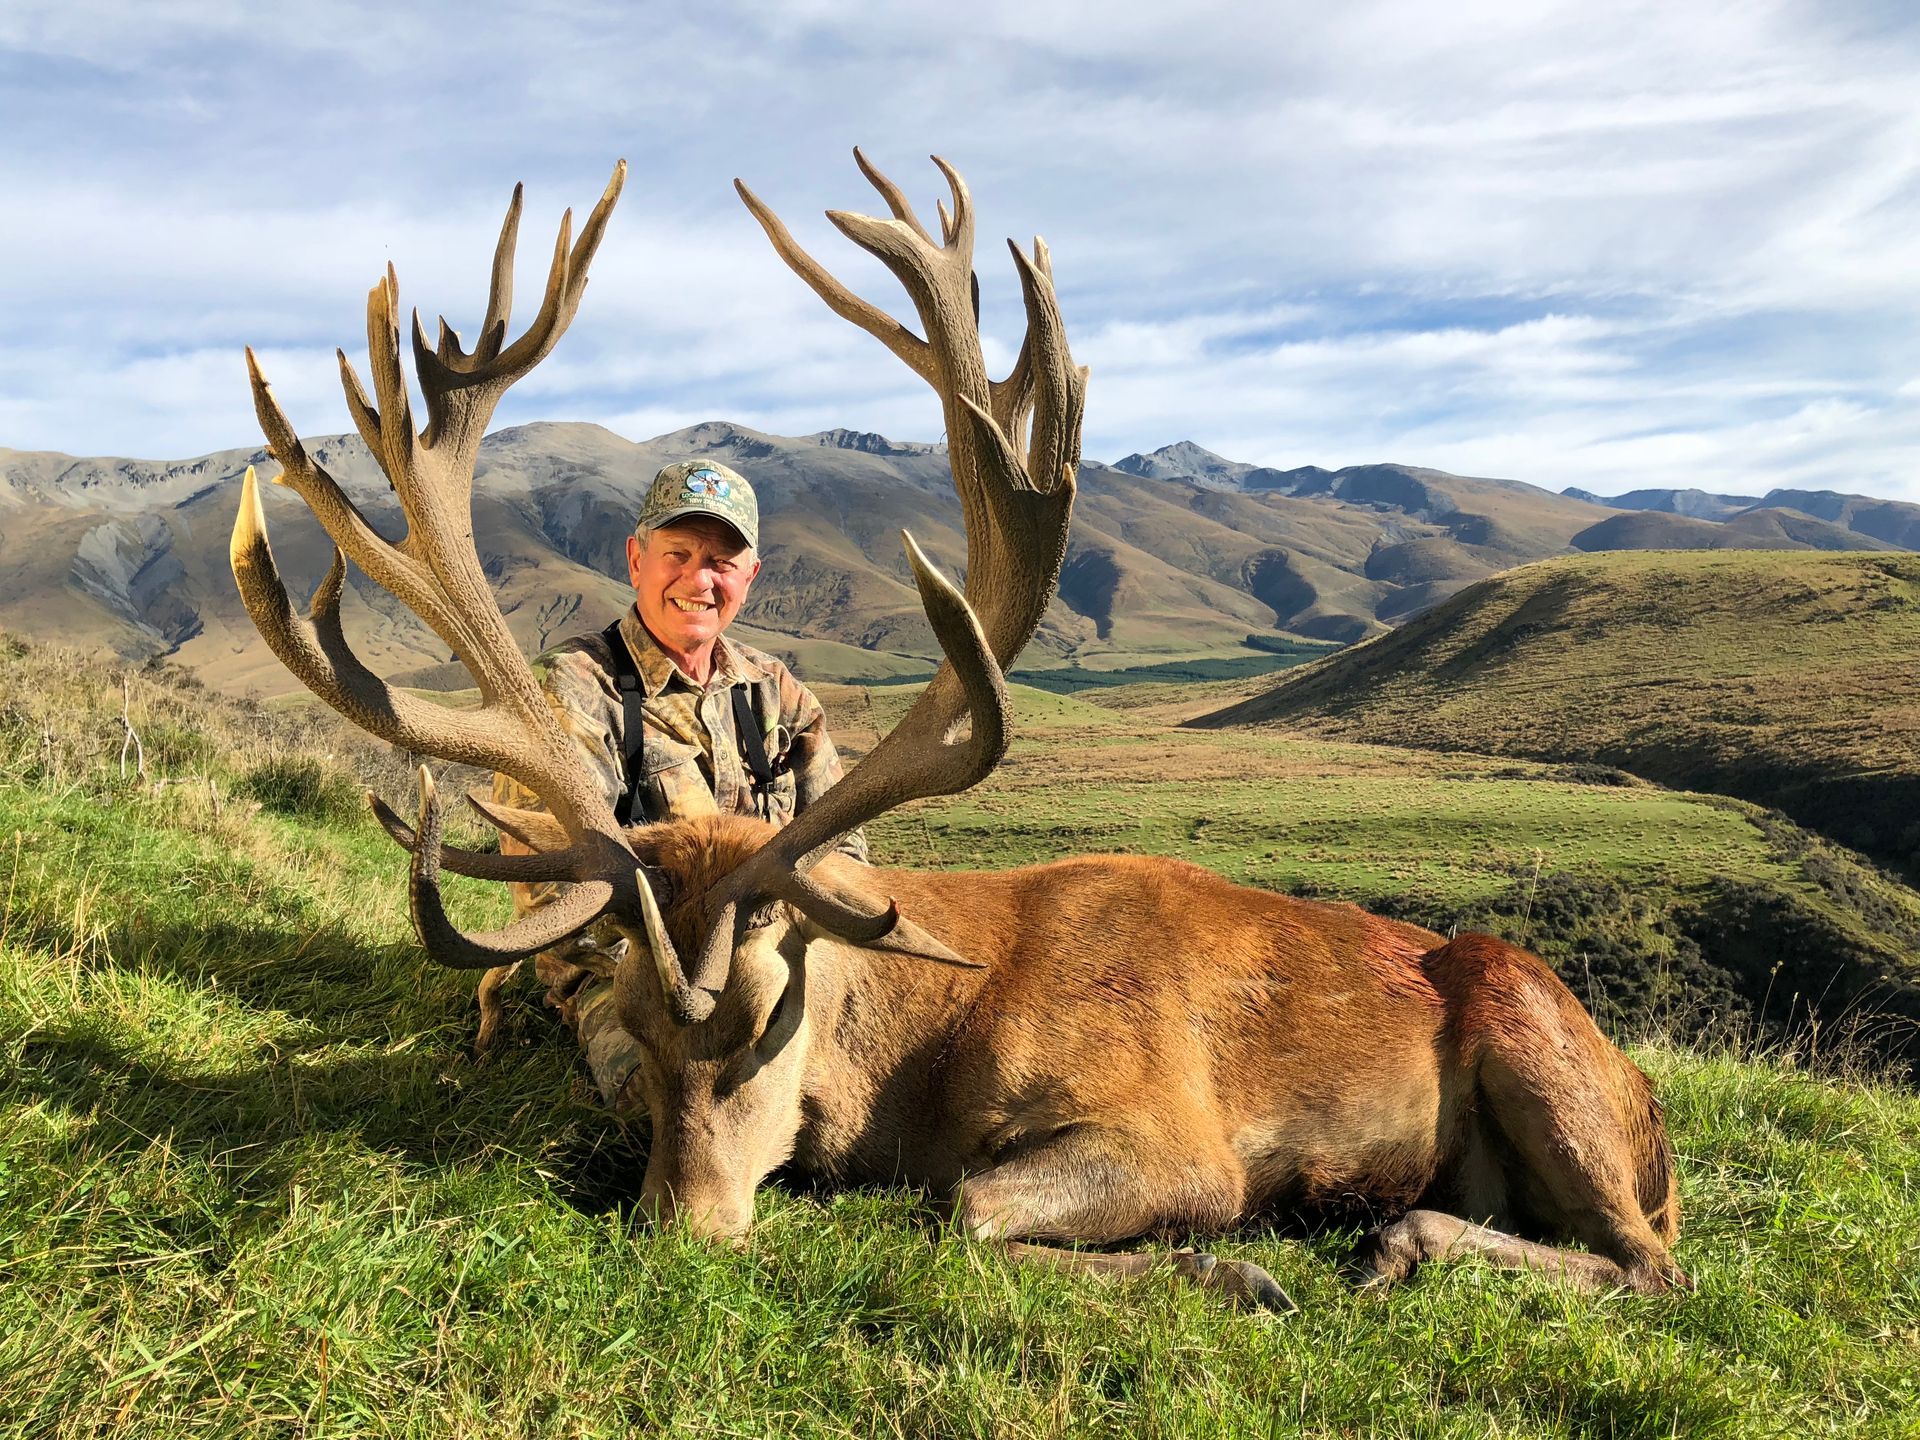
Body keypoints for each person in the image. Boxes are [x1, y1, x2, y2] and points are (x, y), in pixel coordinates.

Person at [490, 458, 864, 1113]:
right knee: (662, 1101)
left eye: (722, 560)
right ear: (637, 559)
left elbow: (847, 853)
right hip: (629, 971)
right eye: (678, 553)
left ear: (750, 577)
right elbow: (552, 894)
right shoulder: (571, 688)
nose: (699, 579)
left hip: (773, 958)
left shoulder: (774, 689)